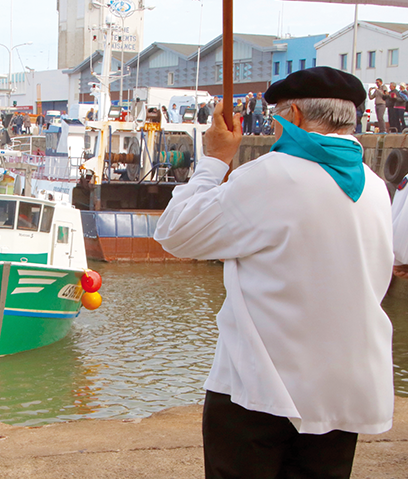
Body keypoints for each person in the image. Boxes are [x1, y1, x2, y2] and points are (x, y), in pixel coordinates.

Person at [154, 66, 394, 479]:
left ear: (295, 117)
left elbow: (176, 233)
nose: (276, 128)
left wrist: (214, 162)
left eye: (277, 117)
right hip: (343, 385)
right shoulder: (375, 187)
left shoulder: (272, 175)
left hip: (261, 387)